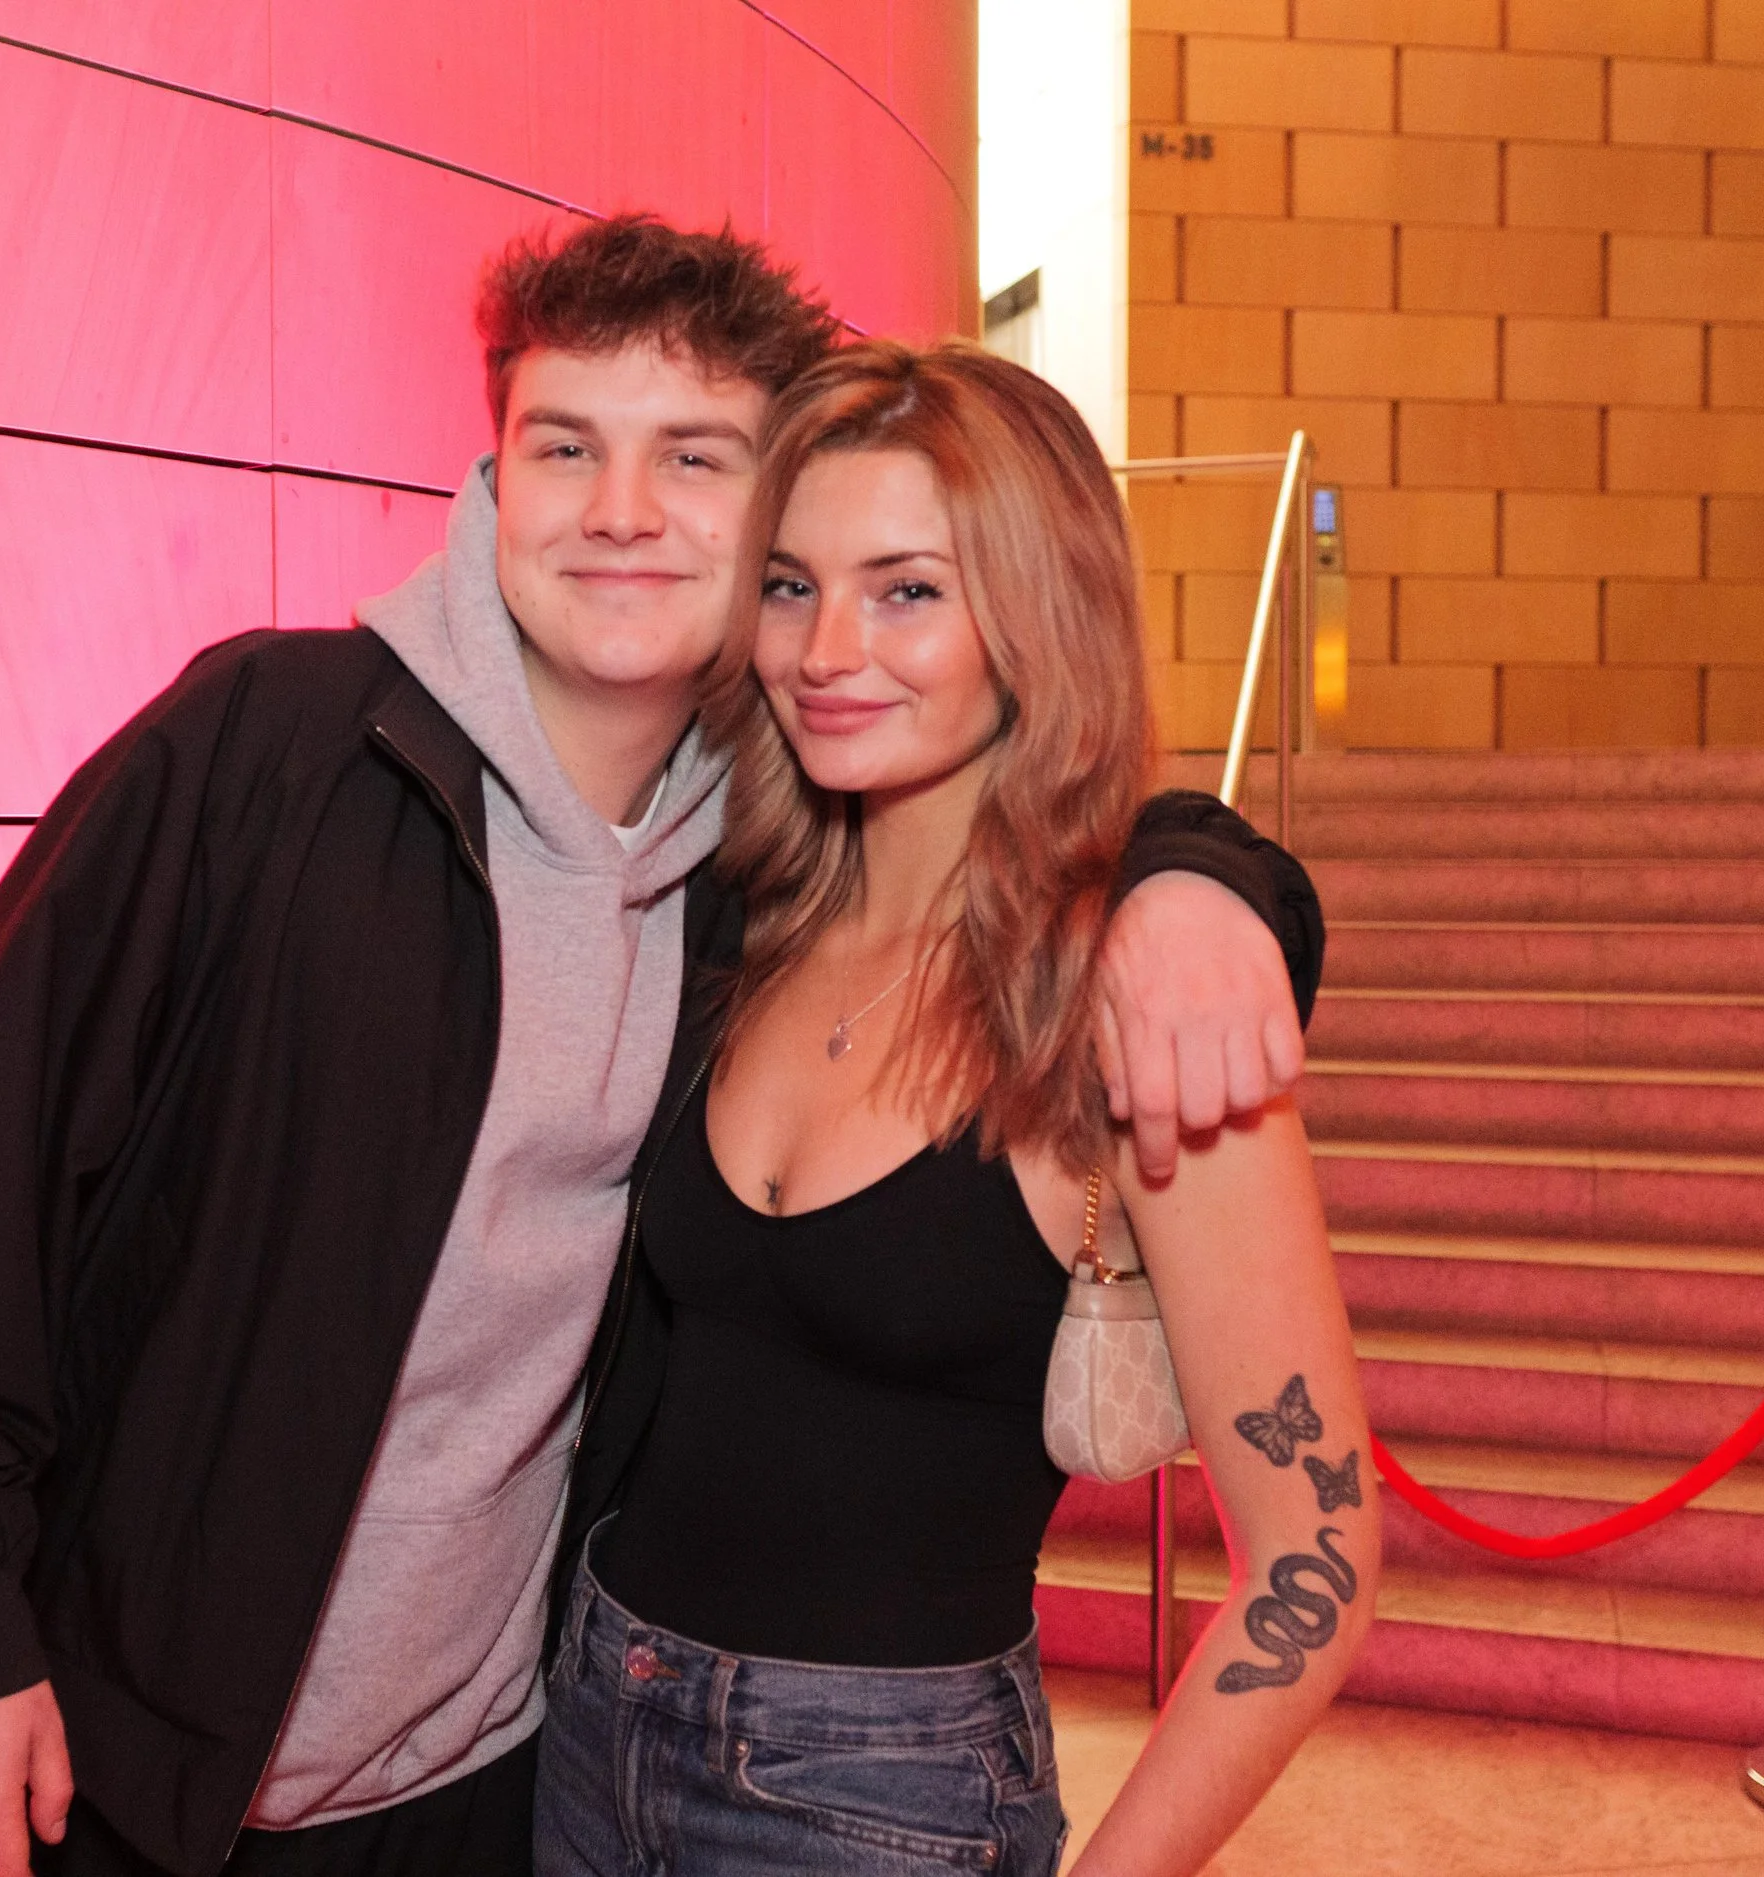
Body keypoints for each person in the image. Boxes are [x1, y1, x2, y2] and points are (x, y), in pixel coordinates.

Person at [0, 219, 1325, 1877]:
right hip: (127, 1770)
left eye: (693, 458)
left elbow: (1019, 848)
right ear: (492, 482)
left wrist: (1202, 876)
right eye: (567, 447)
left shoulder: (735, 893)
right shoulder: (270, 752)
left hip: (502, 1788)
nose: (622, 511)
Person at [537, 341, 1375, 1877]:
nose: (827, 647)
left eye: (908, 588)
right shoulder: (737, 919)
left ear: (1033, 614)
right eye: (789, 586)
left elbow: (1314, 1557)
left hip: (877, 1800)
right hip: (587, 1724)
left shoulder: (1129, 1000)